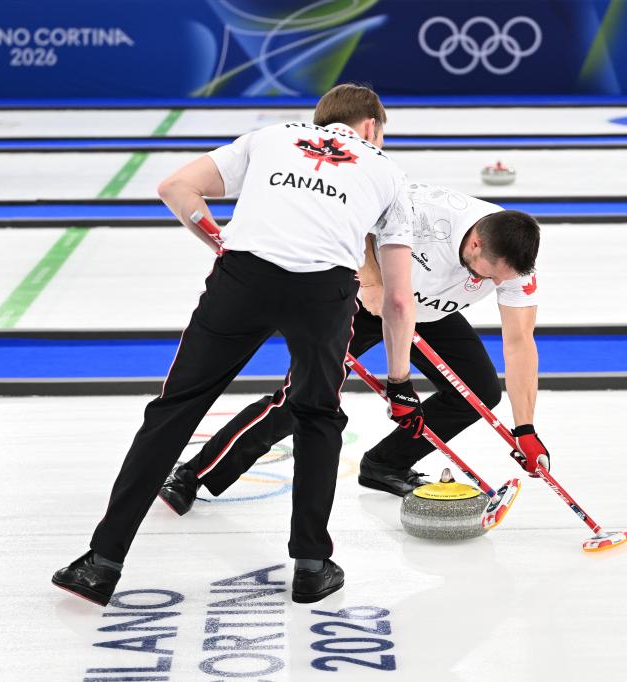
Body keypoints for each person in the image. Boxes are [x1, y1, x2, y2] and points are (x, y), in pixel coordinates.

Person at [52, 84, 423, 606]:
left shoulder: (270, 136)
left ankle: (101, 563)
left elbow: (176, 188)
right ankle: (311, 566)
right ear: (372, 127)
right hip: (323, 293)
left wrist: (220, 241)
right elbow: (399, 300)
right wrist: (399, 380)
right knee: (316, 415)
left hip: (243, 278)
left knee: (175, 410)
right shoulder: (387, 171)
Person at [158, 181, 548, 516]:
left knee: (478, 391)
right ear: (476, 242)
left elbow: (519, 342)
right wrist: (375, 286)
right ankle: (193, 474)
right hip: (361, 296)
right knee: (304, 398)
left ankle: (386, 464)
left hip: (424, 308)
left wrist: (525, 428)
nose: (494, 284)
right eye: (487, 275)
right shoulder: (425, 216)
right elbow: (356, 222)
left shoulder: (511, 264)